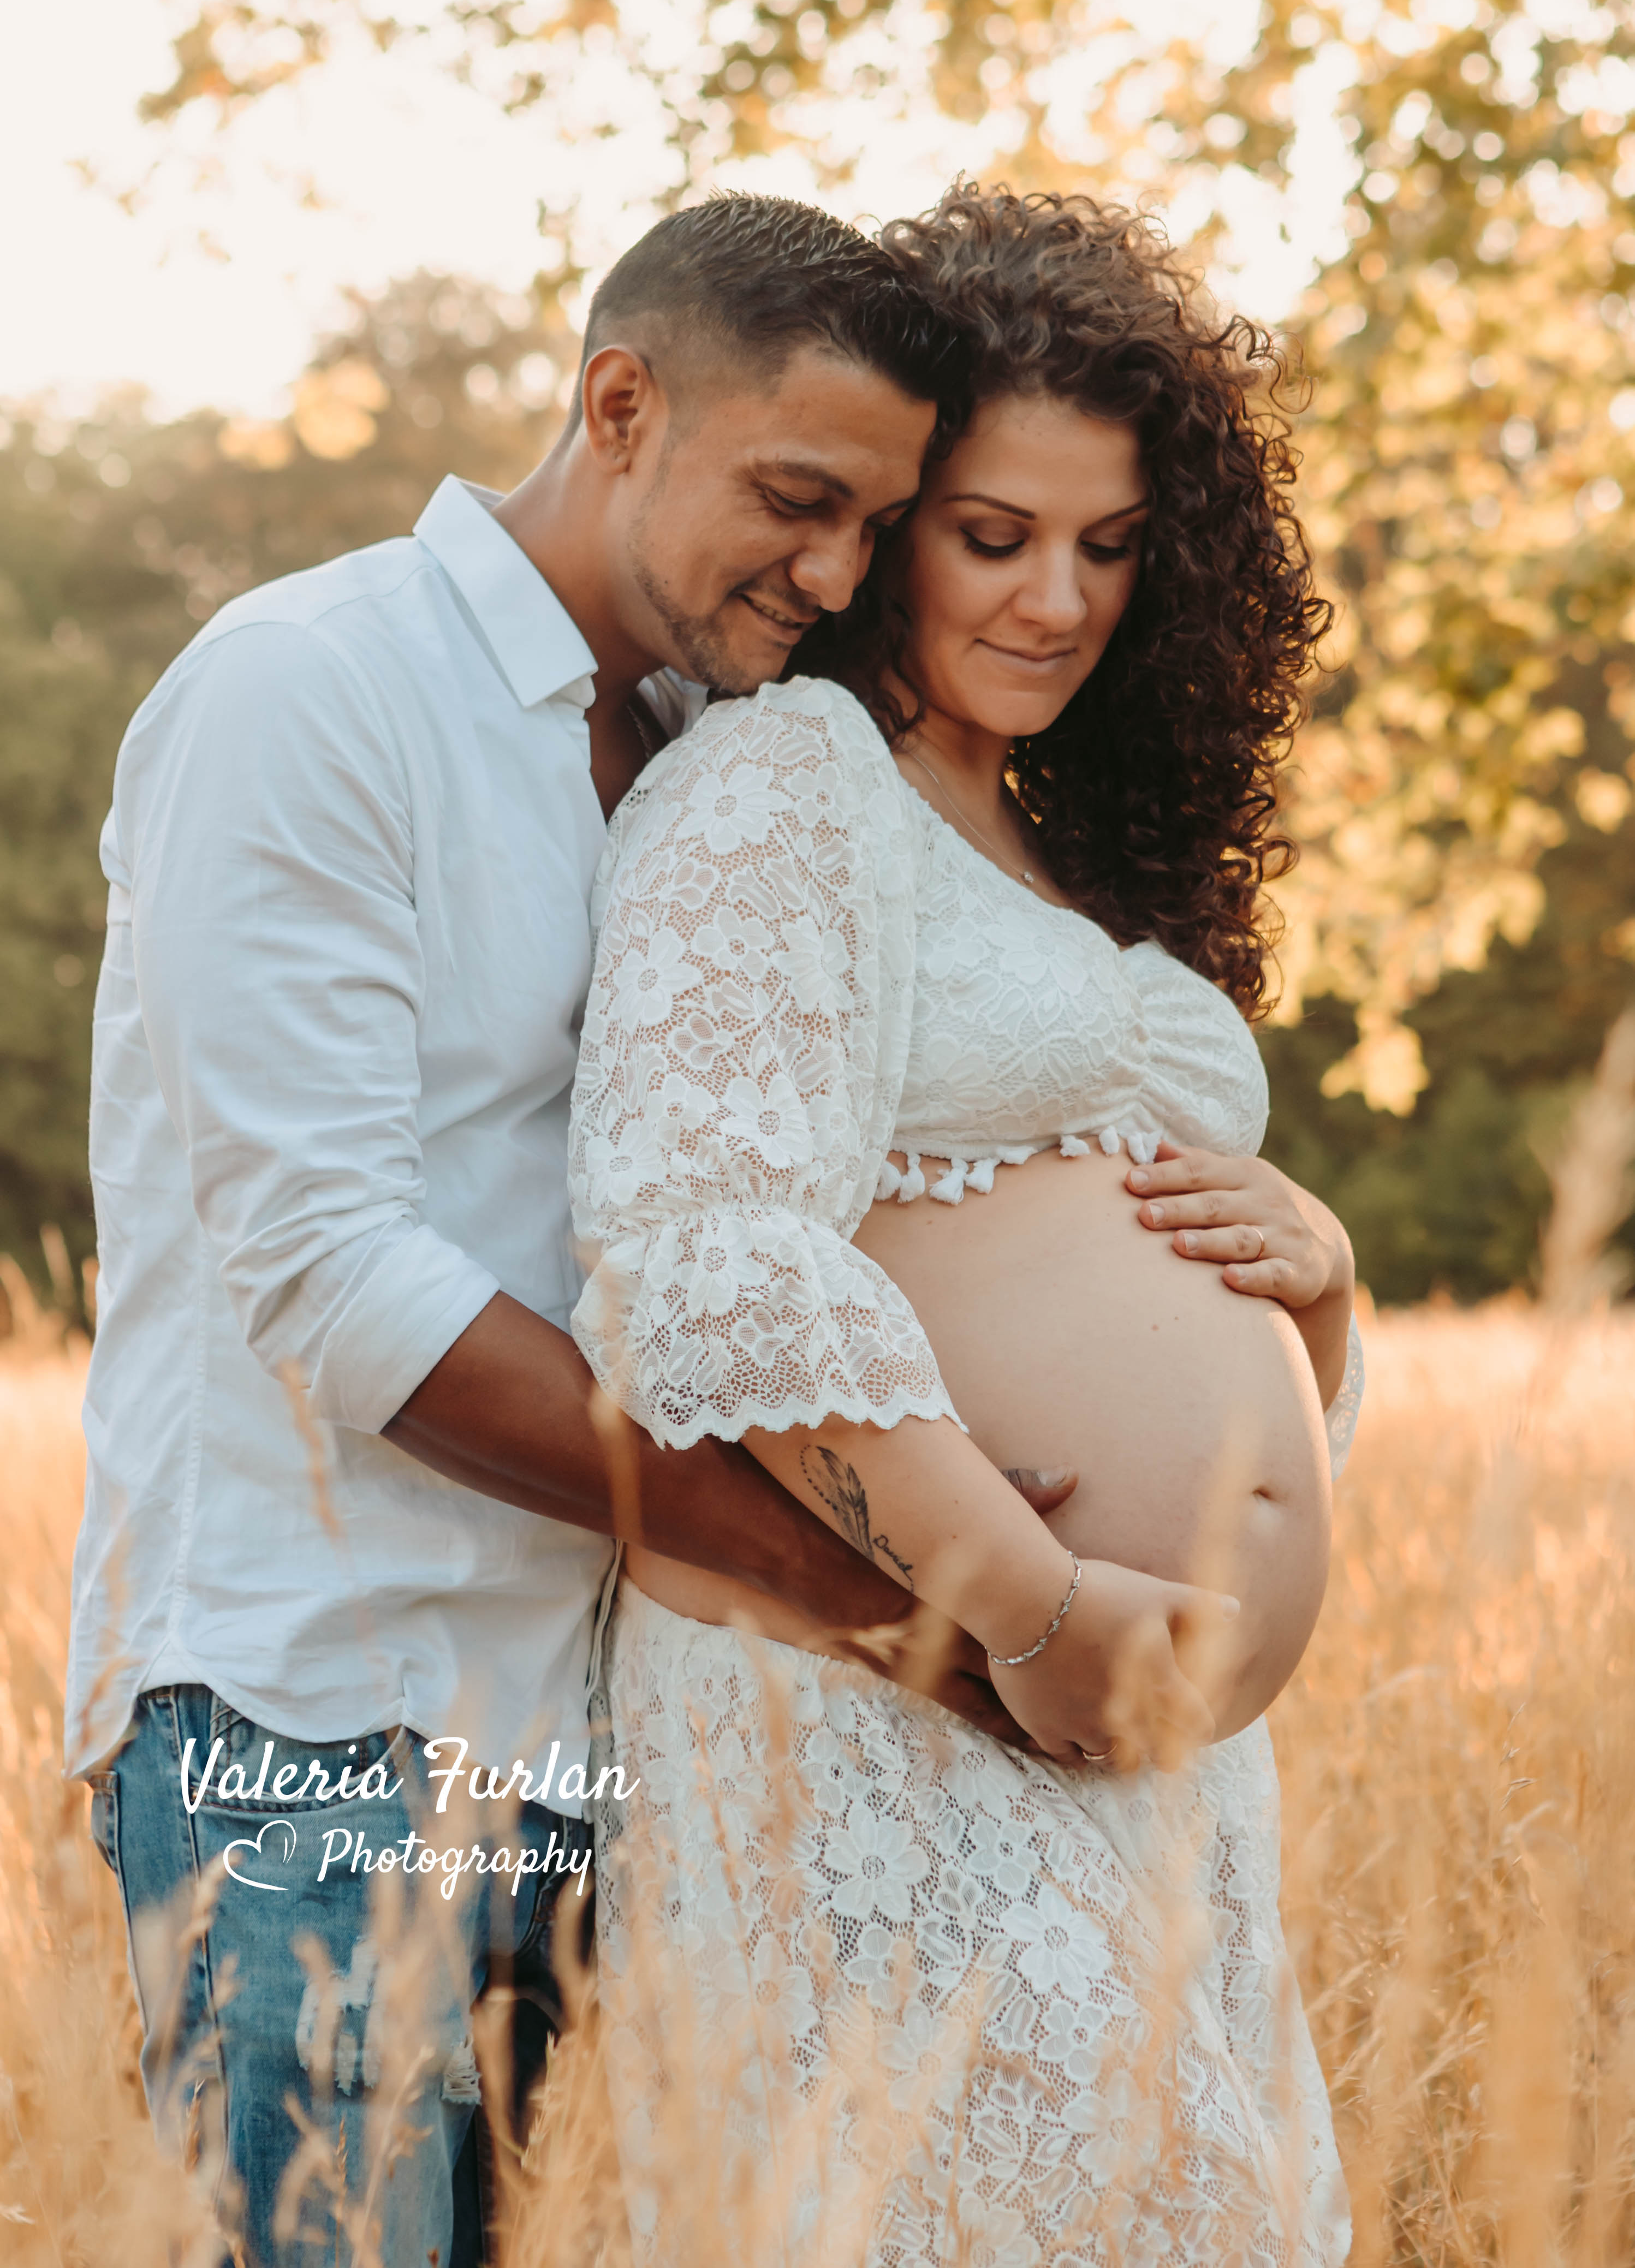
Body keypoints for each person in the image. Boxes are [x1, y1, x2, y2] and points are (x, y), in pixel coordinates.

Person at [65, 193, 1038, 2268]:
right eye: (797, 499)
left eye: (877, 524)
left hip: (592, 1744)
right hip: (304, 1734)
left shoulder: (707, 755)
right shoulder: (309, 689)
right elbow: (341, 1281)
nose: (838, 572)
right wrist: (878, 1601)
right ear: (619, 405)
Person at [568, 186, 1361, 2262]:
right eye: (993, 534)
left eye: (1110, 547)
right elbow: (695, 1238)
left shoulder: (1077, 842)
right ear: (894, 524)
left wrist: (1321, 1295)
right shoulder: (787, 787)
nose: (1055, 601)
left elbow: (1179, 1332)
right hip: (901, 1703)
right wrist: (1016, 1602)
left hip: (1143, 1762)